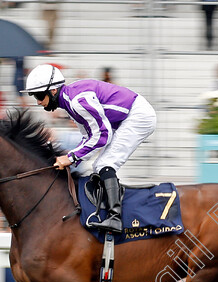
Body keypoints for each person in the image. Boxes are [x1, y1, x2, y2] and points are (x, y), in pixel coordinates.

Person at [21, 63, 157, 233]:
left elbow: (102, 135)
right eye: (35, 96)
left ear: (53, 90)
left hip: (138, 116)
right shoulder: (70, 104)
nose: (38, 101)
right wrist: (70, 159)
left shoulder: (77, 102)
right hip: (125, 118)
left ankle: (115, 218)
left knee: (104, 164)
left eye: (40, 95)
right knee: (98, 165)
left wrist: (70, 158)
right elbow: (88, 137)